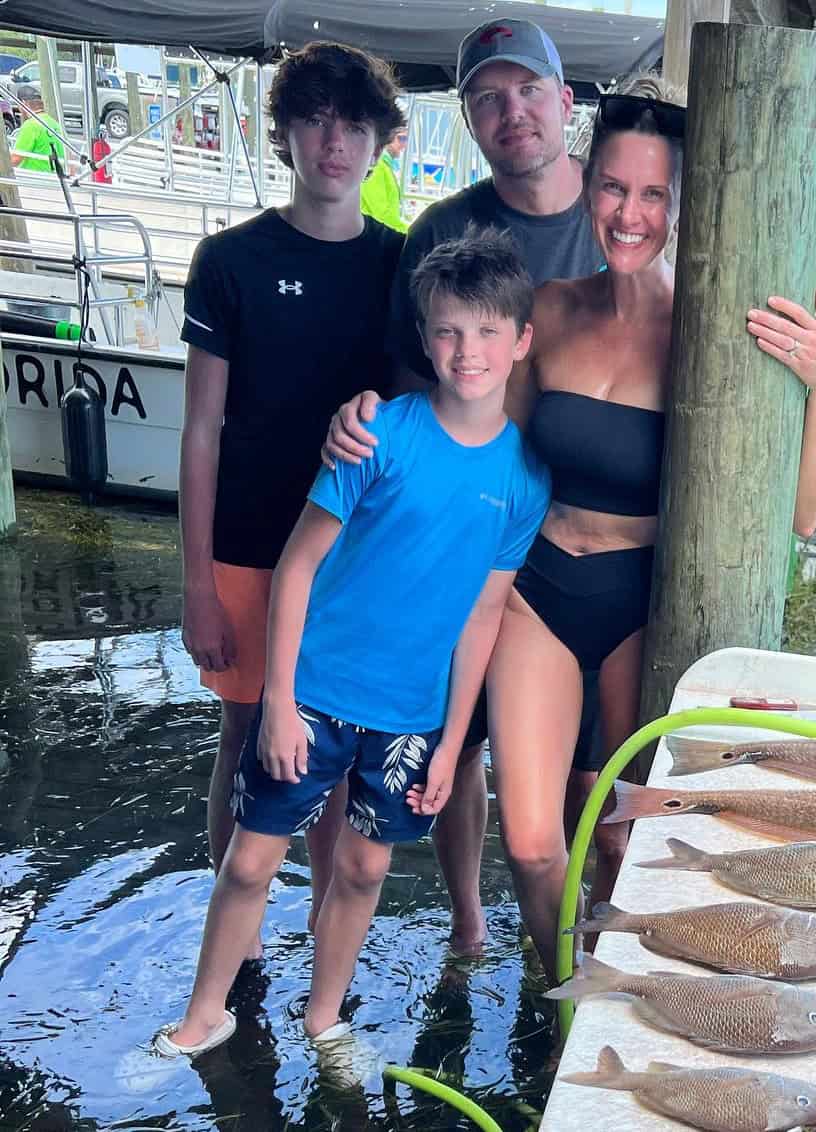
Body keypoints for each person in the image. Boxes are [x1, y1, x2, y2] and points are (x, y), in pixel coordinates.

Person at [328, 74, 816, 980]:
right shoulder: (551, 310)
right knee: (532, 846)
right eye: (612, 187)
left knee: (615, 839)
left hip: (643, 605)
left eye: (652, 194)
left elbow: (798, 515)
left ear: (680, 205)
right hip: (538, 591)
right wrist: (371, 425)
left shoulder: (711, 335)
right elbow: (479, 439)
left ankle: (617, 995)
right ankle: (570, 992)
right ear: (587, 184)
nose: (629, 214)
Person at [157, 226, 549, 1060]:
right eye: (448, 330)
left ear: (522, 340)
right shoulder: (379, 436)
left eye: (487, 331)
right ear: (424, 339)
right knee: (251, 862)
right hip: (316, 692)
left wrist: (451, 742)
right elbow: (297, 567)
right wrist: (278, 701)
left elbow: (484, 615)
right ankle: (204, 1014)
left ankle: (323, 1014)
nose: (467, 351)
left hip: (411, 717)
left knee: (366, 869)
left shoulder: (524, 479)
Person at [331, 17, 607, 958]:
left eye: (528, 90)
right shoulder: (443, 231)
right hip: (474, 530)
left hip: (589, 534)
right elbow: (412, 396)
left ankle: (582, 941)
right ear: (468, 119)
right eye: (488, 98)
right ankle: (468, 919)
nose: (512, 112)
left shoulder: (619, 214)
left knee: (586, 771)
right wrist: (361, 423)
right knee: (466, 734)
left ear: (565, 101)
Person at [178, 42, 406, 961]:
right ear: (283, 135)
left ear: (381, 141)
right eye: (314, 120)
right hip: (245, 543)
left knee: (336, 746)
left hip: (353, 557)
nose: (333, 142)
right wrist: (197, 585)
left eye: (353, 124)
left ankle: (321, 926)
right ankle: (236, 930)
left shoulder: (400, 264)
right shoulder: (229, 259)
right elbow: (201, 428)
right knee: (243, 730)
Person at [360, 127, 408, 231]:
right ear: (387, 139)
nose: (404, 144)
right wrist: (405, 233)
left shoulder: (384, 166)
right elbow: (378, 213)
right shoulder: (378, 167)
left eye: (406, 139)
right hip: (381, 234)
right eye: (401, 138)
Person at [11, 84, 65, 172]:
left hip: (34, 176)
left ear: (23, 104)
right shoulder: (54, 124)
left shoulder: (31, 125)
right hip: (55, 176)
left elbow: (15, 159)